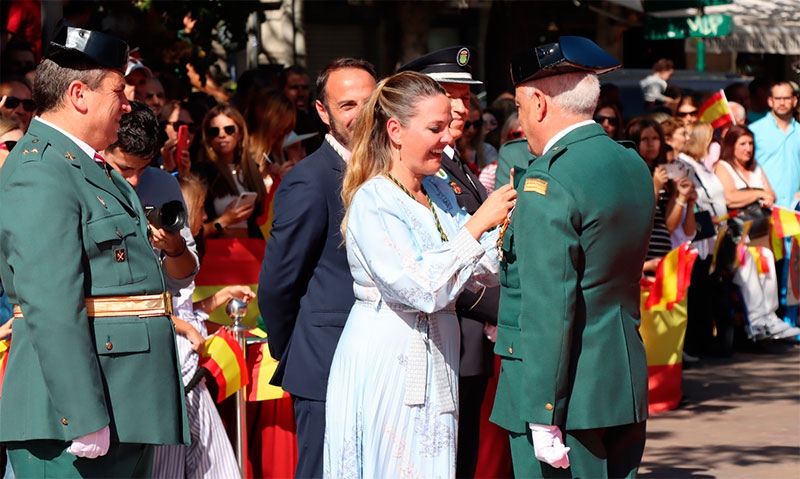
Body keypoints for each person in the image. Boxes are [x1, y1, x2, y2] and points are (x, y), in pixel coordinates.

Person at [0, 26, 188, 477]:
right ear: (79, 94)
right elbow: (51, 303)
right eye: (118, 91)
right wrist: (82, 415)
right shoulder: (41, 170)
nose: (127, 104)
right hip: (75, 418)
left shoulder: (86, 165)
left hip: (126, 402)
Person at [324, 69, 516, 478]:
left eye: (448, 126)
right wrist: (478, 224)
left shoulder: (440, 192)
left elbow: (482, 269)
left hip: (439, 354)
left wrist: (506, 226)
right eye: (435, 127)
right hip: (388, 354)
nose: (449, 137)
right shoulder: (374, 198)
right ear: (395, 130)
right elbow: (419, 287)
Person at [492, 36, 653, 478]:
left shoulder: (549, 180)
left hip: (561, 393)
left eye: (522, 110)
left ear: (540, 104)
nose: (522, 124)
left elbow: (548, 306)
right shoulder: (631, 163)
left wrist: (543, 411)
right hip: (618, 378)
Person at [258, 57, 377, 479]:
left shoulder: (391, 171)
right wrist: (298, 350)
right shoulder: (310, 180)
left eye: (369, 101)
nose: (361, 113)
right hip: (325, 365)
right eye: (347, 105)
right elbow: (277, 286)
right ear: (323, 113)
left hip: (383, 366)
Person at [398, 45, 502, 478]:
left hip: (470, 331)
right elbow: (432, 259)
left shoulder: (453, 162)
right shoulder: (423, 169)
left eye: (465, 97)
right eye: (449, 95)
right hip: (449, 325)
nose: (460, 107)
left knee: (462, 454)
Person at [195, 105, 266, 239]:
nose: (222, 135)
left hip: (253, 252)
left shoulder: (252, 171)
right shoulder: (202, 173)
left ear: (240, 133)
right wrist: (225, 221)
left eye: (229, 130)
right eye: (214, 131)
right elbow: (193, 233)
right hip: (219, 254)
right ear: (208, 137)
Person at [749, 81, 800, 209]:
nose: (782, 103)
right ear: (770, 101)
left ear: (794, 101)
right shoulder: (754, 131)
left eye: (786, 98)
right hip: (764, 207)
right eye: (778, 98)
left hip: (794, 209)